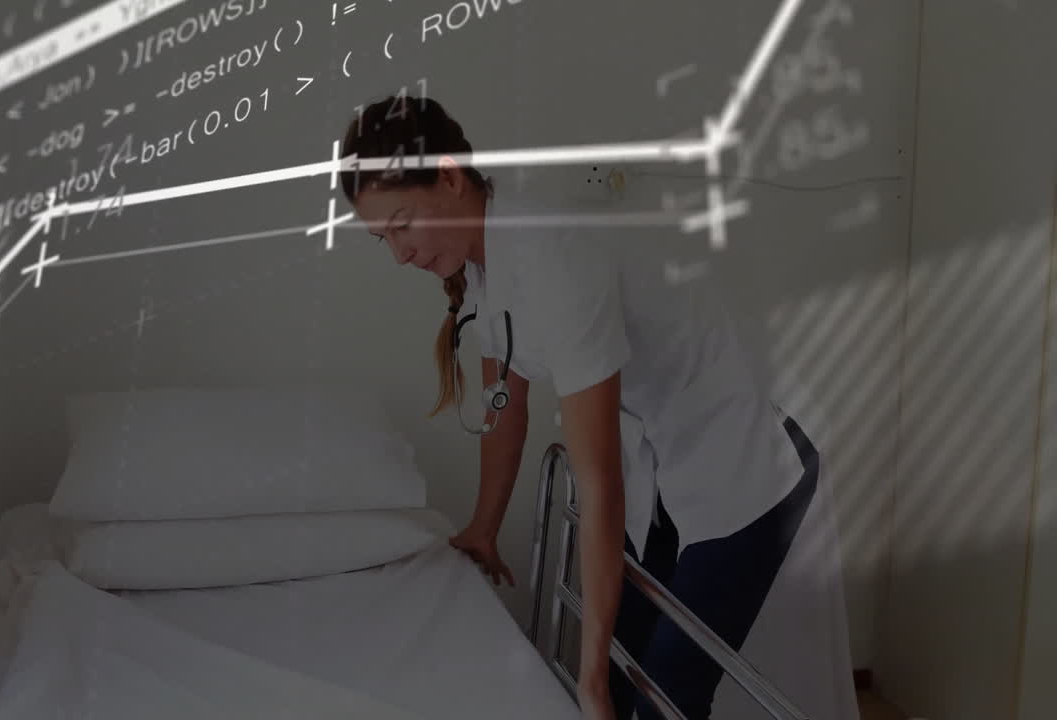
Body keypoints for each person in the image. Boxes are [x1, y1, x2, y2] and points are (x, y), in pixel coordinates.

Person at [337, 94, 860, 720]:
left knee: (668, 692)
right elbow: (507, 410)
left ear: (448, 177)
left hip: (745, 458)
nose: (399, 255)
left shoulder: (554, 253)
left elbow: (597, 479)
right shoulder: (482, 265)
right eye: (383, 239)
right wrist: (483, 527)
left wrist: (589, 683)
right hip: (662, 458)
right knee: (624, 659)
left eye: (402, 225)